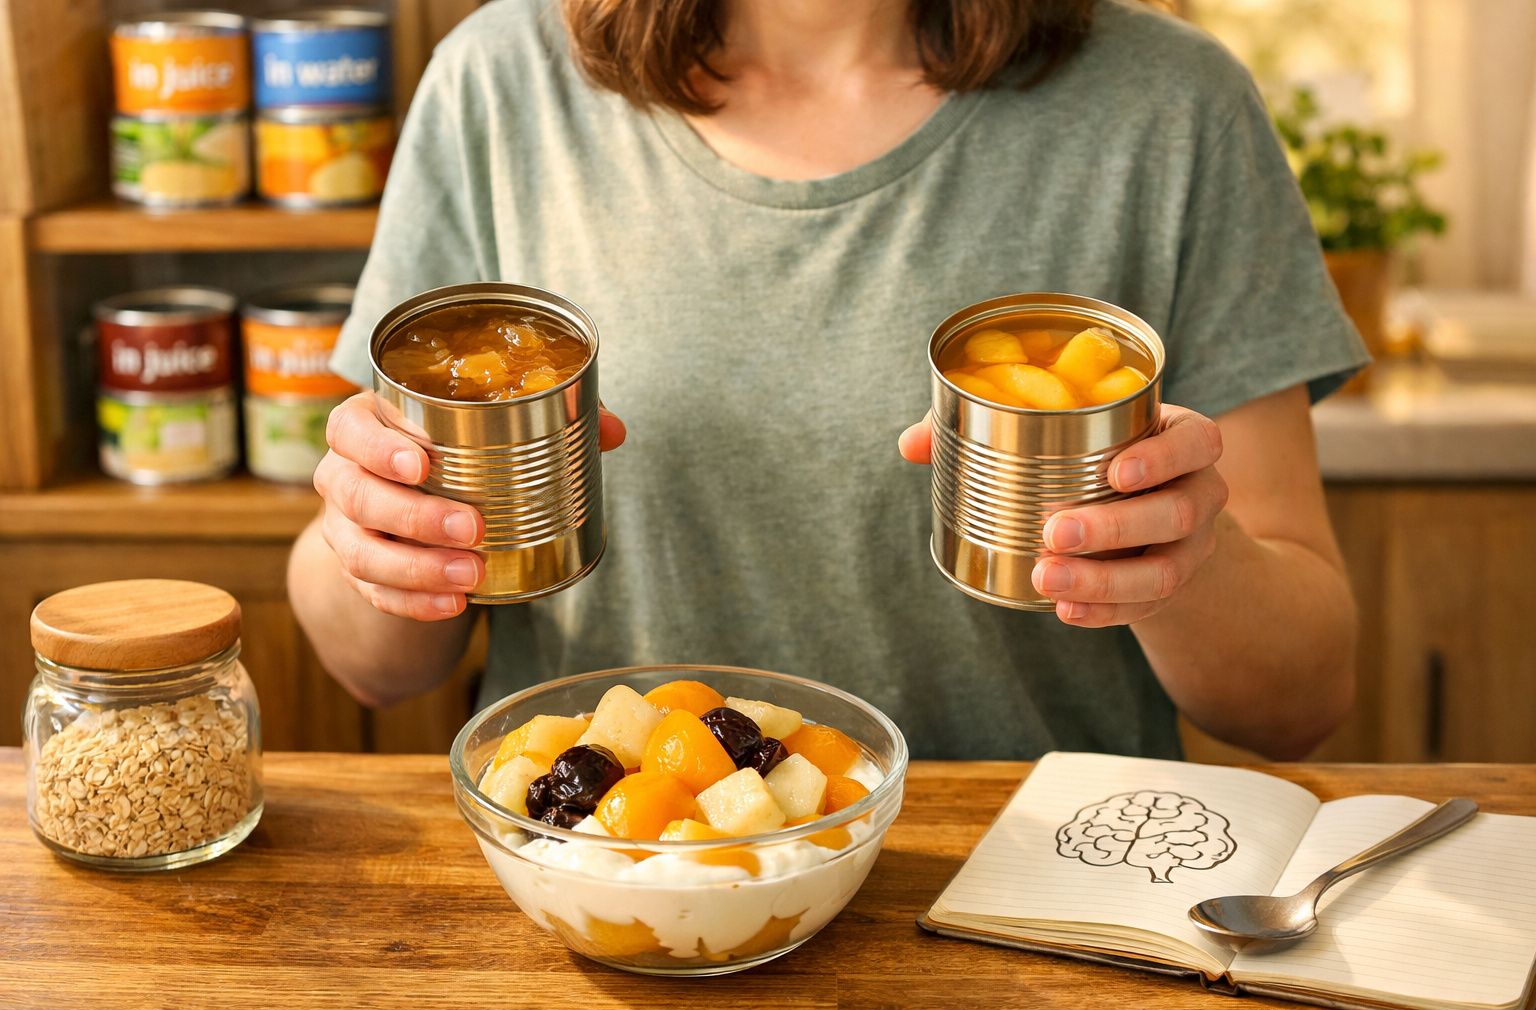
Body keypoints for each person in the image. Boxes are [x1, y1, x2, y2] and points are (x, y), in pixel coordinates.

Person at [289, 0, 1367, 761]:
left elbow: (1301, 700)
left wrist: (1189, 556)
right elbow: (374, 665)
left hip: (1040, 902)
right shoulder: (499, 81)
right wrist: (377, 544)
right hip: (610, 883)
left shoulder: (1175, 107)